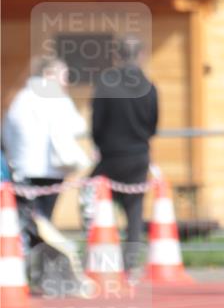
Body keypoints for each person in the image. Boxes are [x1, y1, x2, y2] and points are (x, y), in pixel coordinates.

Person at [90, 36, 159, 277]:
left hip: (110, 155)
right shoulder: (149, 86)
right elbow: (153, 126)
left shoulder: (106, 85)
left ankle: (99, 257)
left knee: (94, 201)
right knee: (134, 209)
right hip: (138, 155)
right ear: (141, 55)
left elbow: (96, 124)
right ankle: (130, 264)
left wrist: (101, 144)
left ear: (116, 56)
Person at [2, 57, 89, 220]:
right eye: (64, 75)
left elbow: (7, 133)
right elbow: (78, 126)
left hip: (22, 168)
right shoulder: (58, 98)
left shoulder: (21, 97)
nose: (66, 81)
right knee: (44, 217)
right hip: (51, 169)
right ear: (49, 74)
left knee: (26, 217)